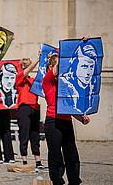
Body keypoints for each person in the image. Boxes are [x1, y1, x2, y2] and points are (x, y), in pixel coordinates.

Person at [42, 40, 90, 185]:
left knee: (72, 154)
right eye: (59, 65)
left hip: (66, 121)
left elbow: (69, 106)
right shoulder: (47, 81)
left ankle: (74, 181)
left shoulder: (68, 85)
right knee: (55, 155)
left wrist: (81, 117)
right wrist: (65, 54)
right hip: (53, 122)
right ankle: (57, 181)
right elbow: (56, 70)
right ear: (51, 67)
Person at [16, 49, 44, 168]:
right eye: (25, 66)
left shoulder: (33, 80)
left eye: (27, 65)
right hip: (24, 108)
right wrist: (38, 59)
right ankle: (24, 160)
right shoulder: (19, 77)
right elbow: (27, 72)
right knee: (24, 134)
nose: (26, 67)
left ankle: (38, 160)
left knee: (35, 135)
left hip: (35, 108)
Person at [60, 41, 98, 114]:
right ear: (75, 66)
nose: (88, 72)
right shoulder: (64, 83)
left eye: (91, 67)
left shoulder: (93, 85)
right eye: (84, 66)